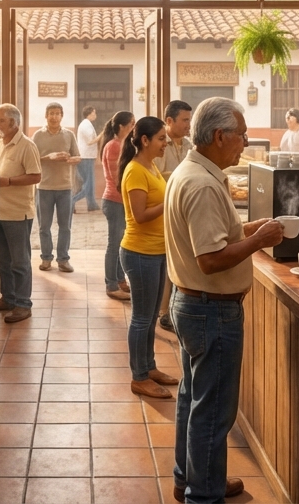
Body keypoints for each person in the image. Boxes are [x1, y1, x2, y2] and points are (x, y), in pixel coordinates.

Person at [165, 97, 284, 504]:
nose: (245, 142)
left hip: (192, 304)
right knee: (213, 411)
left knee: (193, 400)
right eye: (242, 135)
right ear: (219, 136)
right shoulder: (200, 183)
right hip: (210, 309)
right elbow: (211, 259)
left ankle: (192, 480)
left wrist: (250, 228)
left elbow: (216, 234)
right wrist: (258, 241)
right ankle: (204, 494)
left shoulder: (195, 170)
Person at [121, 115, 177, 399]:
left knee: (151, 316)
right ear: (145, 140)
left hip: (156, 251)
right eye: (161, 138)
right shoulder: (134, 171)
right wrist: (169, 201)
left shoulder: (151, 166)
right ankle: (139, 376)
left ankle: (149, 367)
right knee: (141, 318)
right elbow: (140, 216)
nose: (165, 143)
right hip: (139, 252)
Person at [0, 103, 41, 324]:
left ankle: (23, 304)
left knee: (19, 261)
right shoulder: (0, 144)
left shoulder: (27, 146)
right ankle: (8, 298)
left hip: (18, 214)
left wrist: (9, 181)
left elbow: (35, 176)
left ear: (13, 122)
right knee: (3, 259)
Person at [153, 100, 193, 333]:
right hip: (163, 211)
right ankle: (164, 311)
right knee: (167, 262)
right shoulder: (159, 145)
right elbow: (155, 176)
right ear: (169, 121)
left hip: (185, 209)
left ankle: (179, 308)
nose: (189, 125)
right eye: (185, 120)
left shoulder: (189, 145)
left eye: (190, 120)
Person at [32, 102, 79, 273]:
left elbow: (77, 157)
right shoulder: (37, 135)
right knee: (44, 226)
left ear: (61, 116)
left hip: (65, 186)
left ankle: (63, 260)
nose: (54, 116)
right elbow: (33, 159)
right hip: (44, 186)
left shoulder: (69, 135)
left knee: (65, 226)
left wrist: (68, 159)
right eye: (51, 113)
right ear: (46, 115)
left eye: (57, 113)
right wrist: (49, 157)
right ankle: (46, 259)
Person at [100, 111, 136, 300]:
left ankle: (120, 280)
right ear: (122, 126)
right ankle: (111, 284)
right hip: (114, 201)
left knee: (120, 243)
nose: (134, 128)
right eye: (131, 124)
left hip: (120, 201)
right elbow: (117, 179)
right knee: (114, 245)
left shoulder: (121, 144)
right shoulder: (114, 146)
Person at [74, 105, 101, 212]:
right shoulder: (86, 125)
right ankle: (71, 201)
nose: (95, 115)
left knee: (89, 183)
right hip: (86, 157)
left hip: (88, 156)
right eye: (94, 113)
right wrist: (103, 134)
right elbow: (91, 141)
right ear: (89, 114)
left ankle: (92, 204)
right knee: (88, 185)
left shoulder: (87, 124)